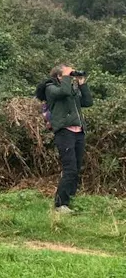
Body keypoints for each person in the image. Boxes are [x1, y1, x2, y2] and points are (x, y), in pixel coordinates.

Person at [46, 65, 93, 214]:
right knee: (70, 169)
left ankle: (69, 199)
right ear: (59, 76)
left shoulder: (71, 89)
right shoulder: (51, 88)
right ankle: (60, 204)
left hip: (79, 132)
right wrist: (67, 76)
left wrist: (82, 84)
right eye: (68, 73)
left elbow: (87, 102)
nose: (71, 75)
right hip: (64, 132)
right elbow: (63, 91)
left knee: (77, 167)